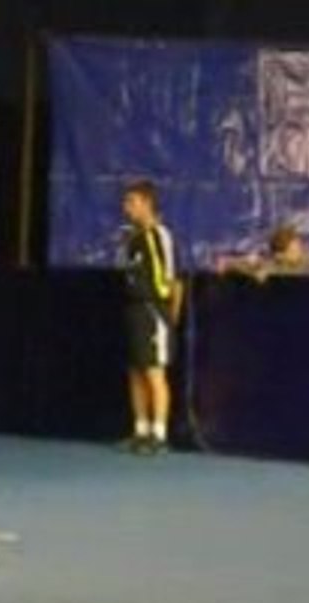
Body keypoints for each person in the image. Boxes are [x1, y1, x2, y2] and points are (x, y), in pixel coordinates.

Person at [121, 180, 183, 455]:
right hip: (133, 310)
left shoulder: (161, 236)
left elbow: (174, 281)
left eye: (132, 202)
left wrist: (170, 317)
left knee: (154, 373)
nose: (126, 208)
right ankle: (141, 430)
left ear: (147, 203)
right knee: (135, 370)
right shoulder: (132, 238)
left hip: (154, 310)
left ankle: (159, 435)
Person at [219, 225, 309, 281]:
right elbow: (226, 264)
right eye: (295, 250)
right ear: (280, 254)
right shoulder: (270, 268)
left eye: (300, 247)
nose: (301, 252)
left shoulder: (306, 264)